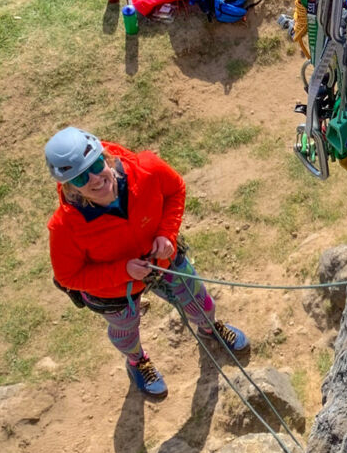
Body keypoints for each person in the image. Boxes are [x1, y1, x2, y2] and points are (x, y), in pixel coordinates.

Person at [46, 127, 249, 401]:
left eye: (96, 164)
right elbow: (69, 276)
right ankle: (137, 361)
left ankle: (209, 328)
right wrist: (123, 272)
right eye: (82, 177)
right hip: (116, 292)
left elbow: (175, 189)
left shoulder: (147, 169)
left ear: (105, 157)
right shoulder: (64, 227)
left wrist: (167, 233)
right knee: (125, 331)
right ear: (70, 186)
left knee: (199, 301)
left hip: (162, 260)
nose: (95, 178)